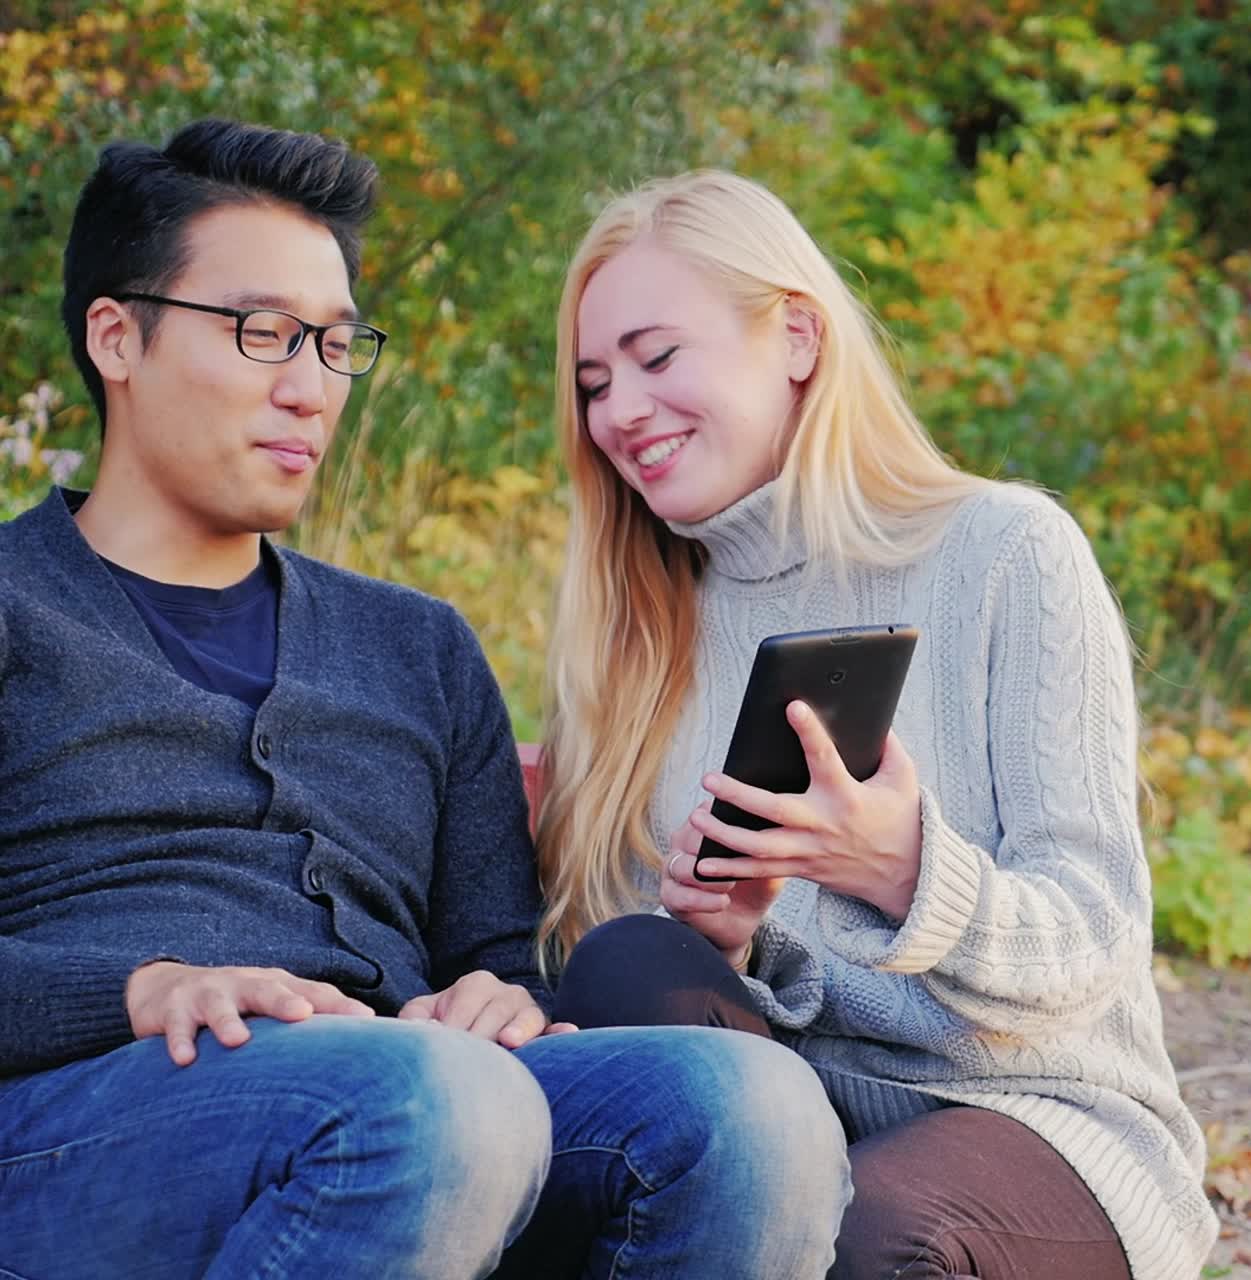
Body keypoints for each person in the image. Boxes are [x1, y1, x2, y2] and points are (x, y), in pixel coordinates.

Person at [0, 124, 853, 1280]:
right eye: (262, 334)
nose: (309, 388)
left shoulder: (415, 646)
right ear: (117, 336)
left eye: (336, 346)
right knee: (436, 1102)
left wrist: (495, 997)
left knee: (750, 1109)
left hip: (409, 1097)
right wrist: (141, 986)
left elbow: (498, 951)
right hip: (77, 1127)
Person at [534, 169, 1219, 1280]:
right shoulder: (632, 632)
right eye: (592, 381)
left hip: (1035, 1114)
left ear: (796, 335)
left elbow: (1093, 941)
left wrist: (907, 871)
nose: (618, 410)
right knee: (628, 961)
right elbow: (621, 990)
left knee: (877, 1234)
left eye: (655, 358)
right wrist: (734, 938)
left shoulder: (1001, 552)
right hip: (783, 1120)